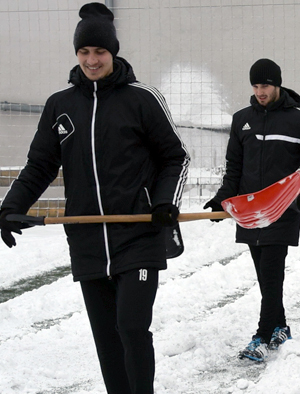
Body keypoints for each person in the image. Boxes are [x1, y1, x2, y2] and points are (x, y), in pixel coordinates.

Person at [0, 3, 189, 392]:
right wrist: (12, 206)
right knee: (107, 342)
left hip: (138, 233)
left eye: (99, 52)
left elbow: (176, 157)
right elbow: (40, 164)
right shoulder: (60, 106)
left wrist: (164, 202)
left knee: (132, 327)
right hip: (87, 239)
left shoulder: (142, 98)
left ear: (113, 52)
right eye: (84, 52)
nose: (91, 60)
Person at [204, 58, 300, 361]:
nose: (260, 91)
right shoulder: (242, 120)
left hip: (282, 208)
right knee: (265, 275)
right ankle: (281, 326)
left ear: (277, 85)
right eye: (256, 85)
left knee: (271, 273)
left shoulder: (299, 119)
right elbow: (234, 168)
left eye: (266, 85)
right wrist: (222, 198)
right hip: (251, 212)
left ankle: (261, 337)